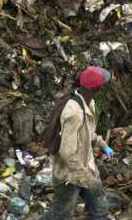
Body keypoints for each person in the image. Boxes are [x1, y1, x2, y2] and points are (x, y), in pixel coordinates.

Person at [40, 66, 114, 220]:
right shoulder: (74, 112)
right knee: (61, 214)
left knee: (100, 208)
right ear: (97, 88)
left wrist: (102, 144)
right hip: (70, 175)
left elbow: (86, 132)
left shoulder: (89, 102)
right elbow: (67, 152)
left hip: (86, 166)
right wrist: (85, 176)